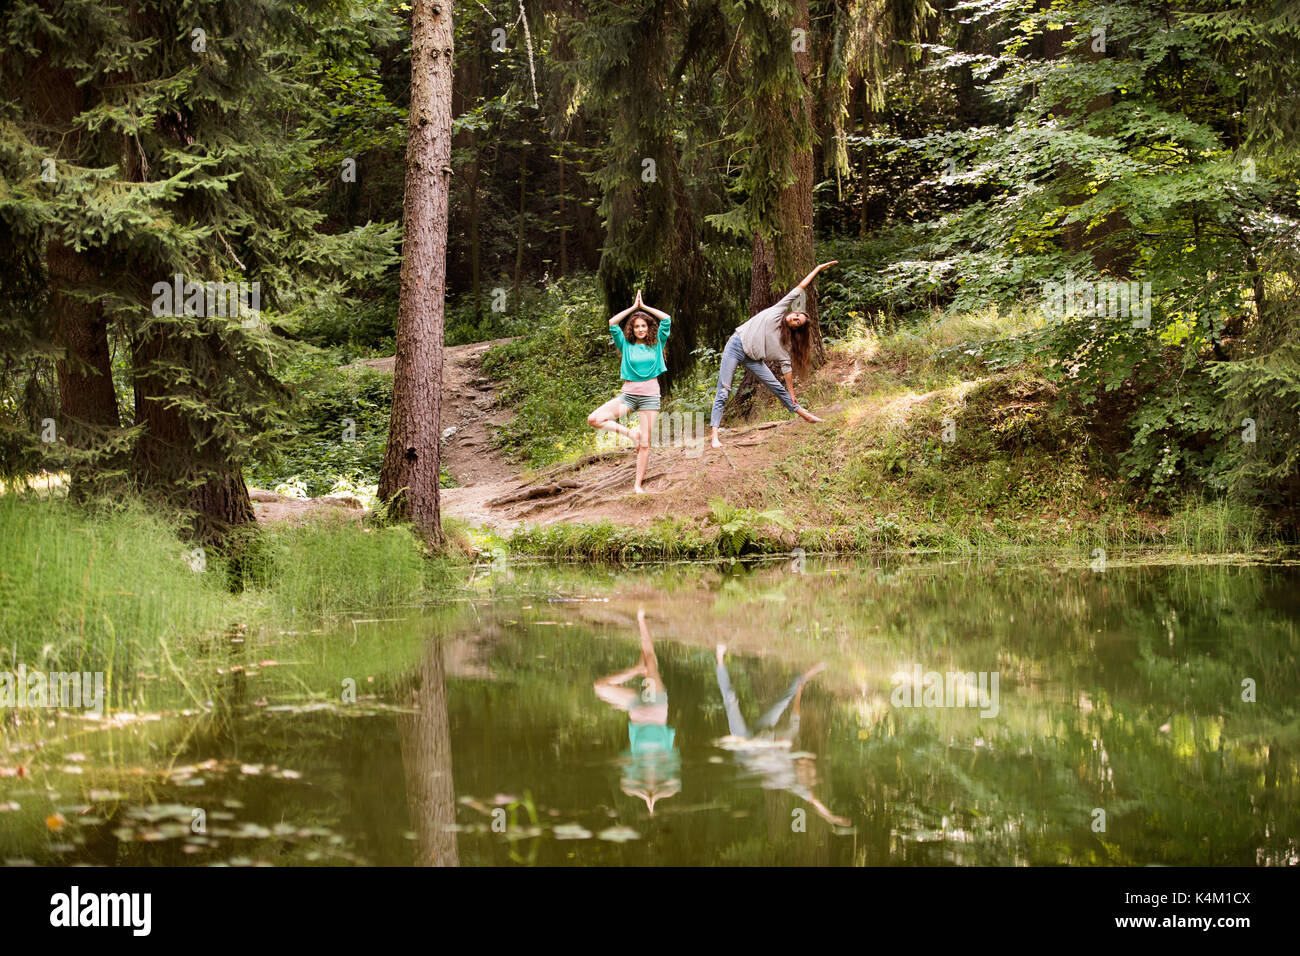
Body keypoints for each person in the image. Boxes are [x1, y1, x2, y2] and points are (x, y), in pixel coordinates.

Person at [714, 645, 850, 828]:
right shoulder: (792, 741)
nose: (805, 760)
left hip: (746, 747)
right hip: (765, 733)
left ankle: (720, 658)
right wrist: (799, 690)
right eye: (807, 761)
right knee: (784, 698)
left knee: (731, 702)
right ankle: (810, 671)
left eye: (805, 764)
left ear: (800, 770)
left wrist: (831, 818)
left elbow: (813, 801)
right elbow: (795, 713)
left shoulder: (790, 781)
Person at [710, 261, 837, 448]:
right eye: (796, 315)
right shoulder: (778, 311)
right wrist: (817, 269)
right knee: (724, 390)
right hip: (736, 345)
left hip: (753, 358)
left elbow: (787, 370)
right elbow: (800, 287)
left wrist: (792, 393)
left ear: (797, 329)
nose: (794, 318)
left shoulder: (785, 345)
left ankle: (805, 416)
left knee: (778, 388)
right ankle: (714, 435)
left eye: (797, 322)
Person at [593, 607, 682, 815]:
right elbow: (674, 786)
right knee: (650, 661)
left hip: (638, 711)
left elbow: (626, 785)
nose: (649, 786)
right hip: (656, 708)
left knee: (600, 686)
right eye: (651, 787)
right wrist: (654, 797)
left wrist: (644, 795)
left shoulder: (634, 774)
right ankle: (641, 618)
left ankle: (635, 669)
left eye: (648, 788)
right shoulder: (666, 770)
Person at [587, 290, 672, 493]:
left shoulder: (657, 342)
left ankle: (637, 485)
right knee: (594, 419)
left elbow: (667, 319)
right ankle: (631, 434)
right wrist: (634, 308)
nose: (641, 329)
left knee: (645, 443)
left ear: (648, 328)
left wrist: (644, 308)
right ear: (632, 329)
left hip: (650, 396)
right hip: (629, 395)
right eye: (637, 326)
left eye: (643, 326)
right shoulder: (625, 345)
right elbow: (612, 323)